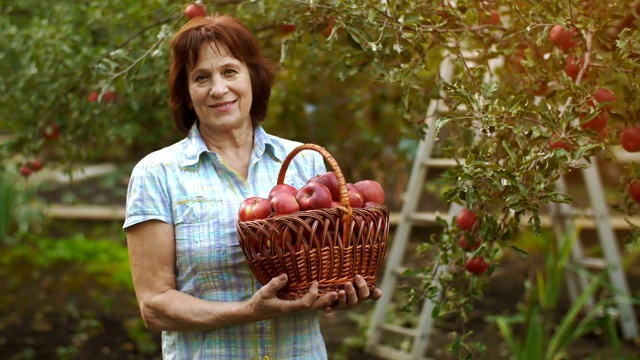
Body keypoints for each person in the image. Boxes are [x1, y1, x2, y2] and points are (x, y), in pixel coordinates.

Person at [123, 13, 382, 359]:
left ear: (252, 78)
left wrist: (339, 290)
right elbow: (154, 306)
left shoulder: (305, 163)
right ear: (186, 93)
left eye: (230, 71)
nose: (218, 89)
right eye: (201, 77)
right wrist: (249, 311)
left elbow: (324, 266)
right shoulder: (158, 174)